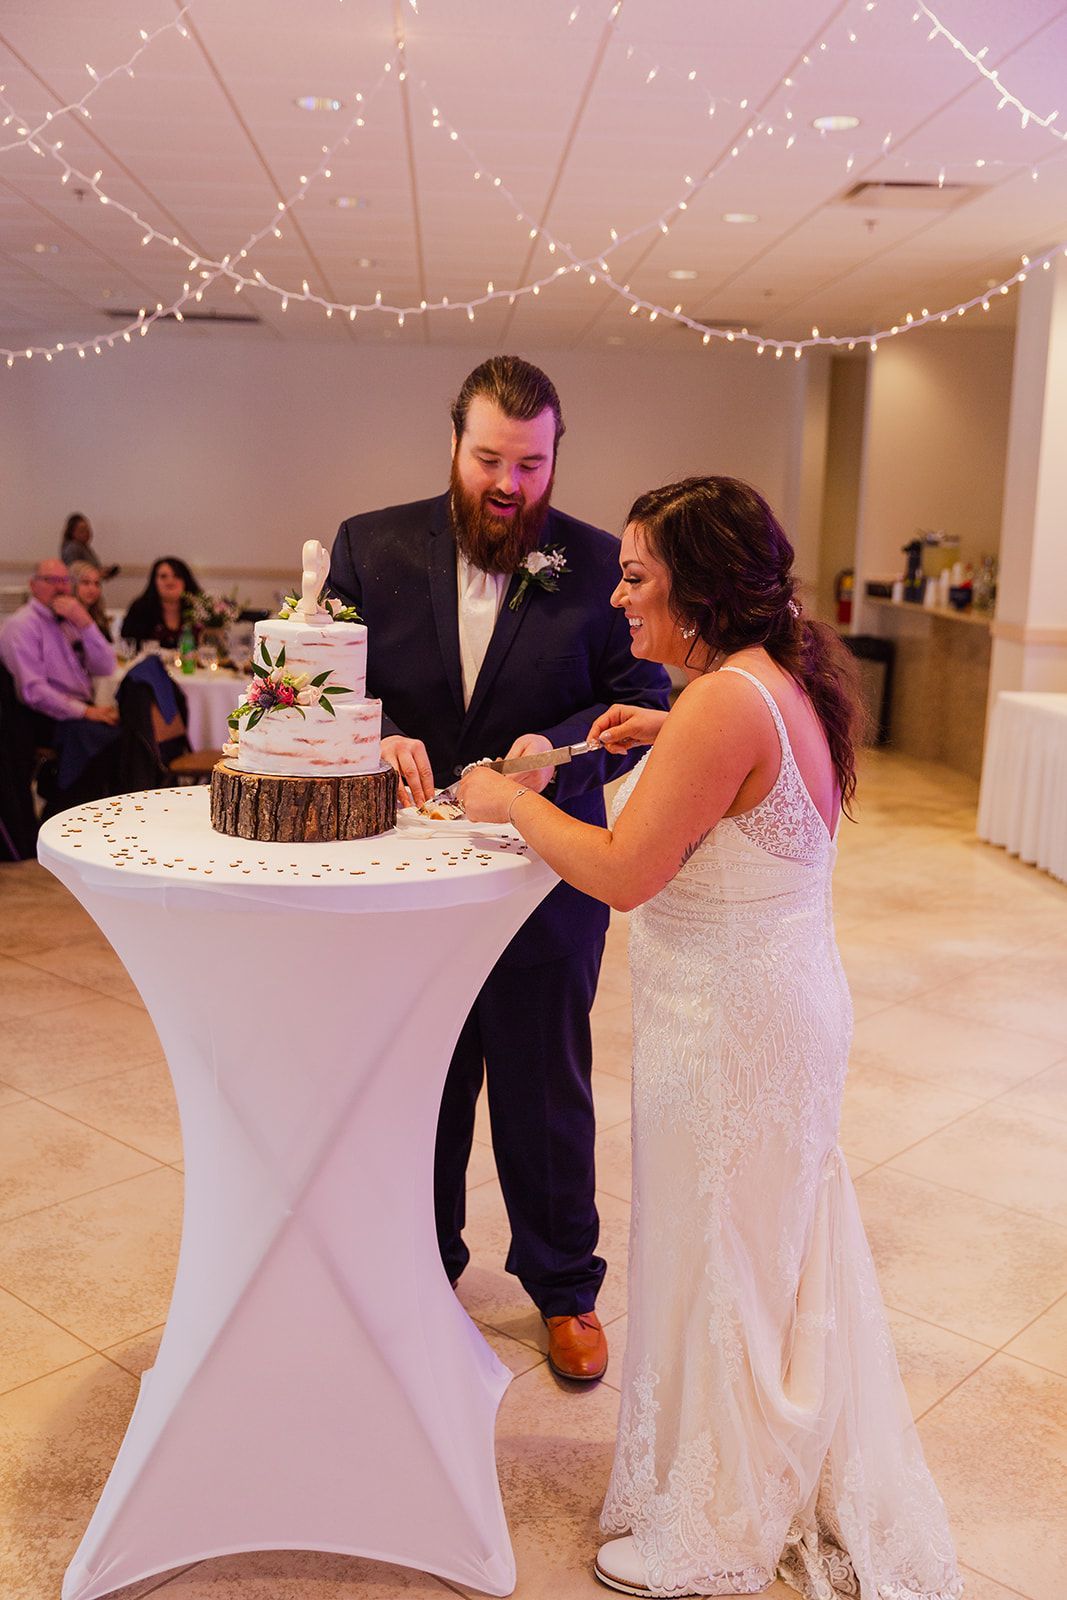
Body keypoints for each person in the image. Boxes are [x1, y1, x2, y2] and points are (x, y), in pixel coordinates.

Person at [458, 477, 962, 1600]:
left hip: (735, 1029)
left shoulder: (728, 704)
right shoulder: (756, 685)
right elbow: (726, 797)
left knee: (717, 1258)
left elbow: (624, 872)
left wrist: (508, 797)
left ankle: (718, 1521)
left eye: (637, 575)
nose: (617, 595)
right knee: (747, 1249)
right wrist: (659, 726)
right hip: (767, 1009)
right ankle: (747, 1473)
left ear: (698, 585)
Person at [329, 355, 669, 1382]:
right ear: (454, 445)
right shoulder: (370, 543)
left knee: (544, 1087)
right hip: (404, 882)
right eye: (488, 458)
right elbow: (315, 681)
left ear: (555, 457)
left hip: (545, 874)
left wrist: (554, 743)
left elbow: (640, 688)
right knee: (416, 1086)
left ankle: (565, 1287)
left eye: (529, 462)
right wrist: (372, 734)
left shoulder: (600, 560)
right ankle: (417, 1270)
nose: (507, 484)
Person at [0, 558, 120, 809]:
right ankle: (66, 811)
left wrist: (86, 623)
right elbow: (33, 691)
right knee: (106, 741)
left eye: (65, 581)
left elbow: (106, 667)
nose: (61, 587)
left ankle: (98, 810)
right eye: (51, 580)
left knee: (127, 733)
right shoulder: (22, 626)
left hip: (75, 710)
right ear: (33, 586)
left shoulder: (68, 619)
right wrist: (87, 712)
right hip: (38, 717)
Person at [120, 557, 201, 651]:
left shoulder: (200, 609)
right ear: (154, 582)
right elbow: (128, 644)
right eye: (163, 576)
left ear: (185, 581)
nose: (170, 581)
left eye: (177, 576)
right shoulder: (140, 608)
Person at [60, 512, 119, 580]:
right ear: (72, 533)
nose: (87, 533)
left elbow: (90, 568)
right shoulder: (72, 548)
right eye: (82, 530)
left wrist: (102, 571)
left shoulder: (84, 547)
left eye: (88, 529)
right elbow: (72, 574)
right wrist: (97, 574)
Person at [68, 559, 112, 639]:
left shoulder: (98, 617)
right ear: (73, 585)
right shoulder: (65, 620)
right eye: (85, 582)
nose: (92, 589)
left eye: (96, 584)